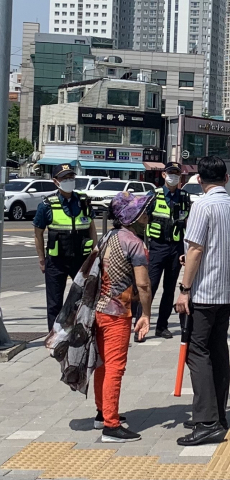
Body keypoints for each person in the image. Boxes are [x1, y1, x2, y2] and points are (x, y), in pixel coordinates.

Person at [175, 156, 230, 446]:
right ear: (227, 178)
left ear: (199, 180)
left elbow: (195, 250)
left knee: (198, 351)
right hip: (228, 288)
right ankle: (218, 413)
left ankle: (206, 421)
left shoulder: (202, 206)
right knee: (218, 350)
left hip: (204, 290)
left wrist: (184, 288)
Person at [94, 191, 153, 442]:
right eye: (143, 210)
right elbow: (144, 285)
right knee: (116, 368)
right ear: (133, 216)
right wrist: (147, 314)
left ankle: (102, 413)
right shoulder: (134, 243)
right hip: (119, 312)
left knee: (102, 364)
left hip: (99, 309)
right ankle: (111, 425)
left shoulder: (108, 236)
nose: (147, 214)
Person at [34, 163, 97, 330]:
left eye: (71, 177)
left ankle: (79, 333)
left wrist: (95, 253)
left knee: (83, 299)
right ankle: (54, 337)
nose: (69, 180)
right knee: (54, 302)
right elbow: (38, 233)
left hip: (81, 260)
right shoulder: (47, 205)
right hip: (56, 260)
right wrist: (42, 259)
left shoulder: (83, 202)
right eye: (65, 178)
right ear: (56, 181)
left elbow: (91, 227)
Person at [139, 162, 191, 341]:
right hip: (157, 247)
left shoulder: (184, 197)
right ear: (163, 175)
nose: (173, 176)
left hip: (176, 248)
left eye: (177, 173)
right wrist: (141, 244)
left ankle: (162, 326)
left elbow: (188, 223)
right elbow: (140, 218)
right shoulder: (153, 195)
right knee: (149, 286)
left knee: (169, 289)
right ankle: (141, 325)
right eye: (171, 173)